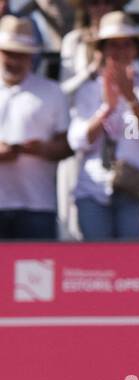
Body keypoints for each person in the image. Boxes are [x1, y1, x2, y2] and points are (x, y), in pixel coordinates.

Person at [68, 11, 139, 240]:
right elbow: (78, 140)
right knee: (96, 264)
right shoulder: (89, 89)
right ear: (101, 50)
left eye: (126, 45)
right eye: (113, 45)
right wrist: (108, 109)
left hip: (133, 187)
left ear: (136, 49)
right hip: (93, 188)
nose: (120, 52)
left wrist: (130, 97)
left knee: (133, 264)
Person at [0, 15, 68, 239]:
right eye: (9, 53)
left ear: (32, 58)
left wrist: (43, 149)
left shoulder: (52, 91)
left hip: (38, 204)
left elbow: (66, 144)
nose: (15, 61)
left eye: (22, 54)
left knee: (37, 271)